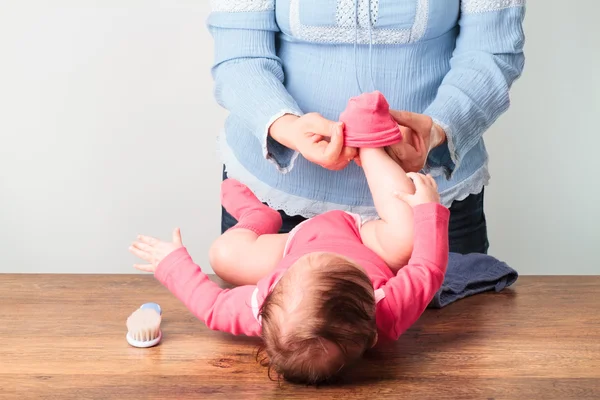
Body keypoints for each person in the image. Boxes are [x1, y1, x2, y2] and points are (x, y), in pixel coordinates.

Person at [209, 0, 526, 254]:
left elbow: (491, 54)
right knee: (274, 329)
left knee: (451, 332)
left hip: (427, 202)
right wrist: (288, 128)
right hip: (277, 204)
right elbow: (239, 56)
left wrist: (438, 130)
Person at [129, 144, 449, 384]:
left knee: (223, 255)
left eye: (304, 268)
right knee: (408, 234)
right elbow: (427, 269)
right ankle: (371, 146)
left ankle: (258, 217)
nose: (319, 256)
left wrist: (171, 263)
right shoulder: (387, 310)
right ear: (372, 333)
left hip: (295, 243)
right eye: (336, 265)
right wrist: (428, 210)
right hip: (363, 238)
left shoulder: (262, 308)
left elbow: (211, 307)